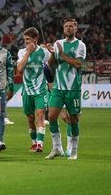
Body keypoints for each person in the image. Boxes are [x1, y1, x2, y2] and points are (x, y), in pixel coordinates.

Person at [45, 18, 86, 160]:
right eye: (66, 26)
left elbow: (78, 64)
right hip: (58, 87)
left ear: (76, 29)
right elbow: (51, 65)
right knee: (51, 116)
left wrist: (62, 54)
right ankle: (57, 148)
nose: (68, 28)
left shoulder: (80, 45)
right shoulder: (58, 44)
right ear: (63, 28)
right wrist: (52, 53)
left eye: (71, 26)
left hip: (73, 88)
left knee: (73, 119)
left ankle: (73, 150)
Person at [16, 27, 50, 153]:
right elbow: (19, 68)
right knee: (30, 118)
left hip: (41, 90)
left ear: (36, 39)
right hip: (27, 91)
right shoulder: (22, 52)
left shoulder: (44, 52)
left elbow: (52, 66)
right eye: (25, 39)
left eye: (28, 39)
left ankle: (40, 144)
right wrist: (28, 53)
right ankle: (34, 143)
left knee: (40, 115)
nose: (26, 42)